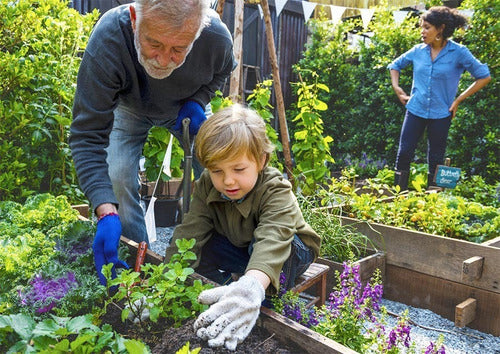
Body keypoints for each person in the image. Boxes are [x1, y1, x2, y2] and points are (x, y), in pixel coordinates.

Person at [69, 0, 235, 285]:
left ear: (197, 32)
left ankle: (220, 256)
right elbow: (87, 135)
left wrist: (198, 101)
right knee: (117, 180)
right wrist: (105, 209)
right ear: (135, 19)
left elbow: (222, 70)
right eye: (153, 43)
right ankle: (137, 265)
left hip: (186, 107)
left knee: (221, 169)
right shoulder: (110, 38)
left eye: (178, 49)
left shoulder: (215, 37)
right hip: (128, 108)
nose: (162, 59)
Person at [164, 104, 321, 350]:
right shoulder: (208, 185)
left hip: (288, 250)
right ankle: (225, 292)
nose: (228, 180)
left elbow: (273, 237)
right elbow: (190, 231)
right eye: (217, 170)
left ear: (261, 160)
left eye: (238, 169)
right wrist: (164, 285)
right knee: (197, 246)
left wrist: (253, 287)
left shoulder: (275, 188)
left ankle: (260, 300)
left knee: (281, 249)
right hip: (241, 247)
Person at [388, 6, 490, 190]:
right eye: (422, 27)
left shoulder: (459, 52)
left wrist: (458, 100)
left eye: (427, 27)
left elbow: (484, 76)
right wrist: (397, 88)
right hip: (415, 109)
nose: (422, 31)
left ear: (440, 29)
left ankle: (433, 203)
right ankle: (397, 198)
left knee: (436, 159)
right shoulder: (418, 50)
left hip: (441, 113)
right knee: (404, 154)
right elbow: (395, 65)